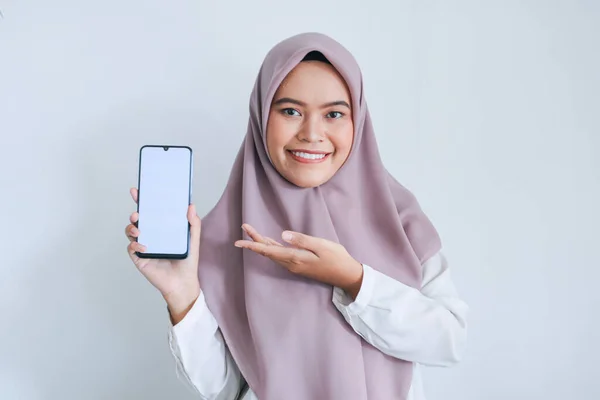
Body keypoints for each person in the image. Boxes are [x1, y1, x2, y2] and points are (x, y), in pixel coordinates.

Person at [125, 32, 468, 400]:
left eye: (334, 114)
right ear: (260, 116)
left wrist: (353, 280)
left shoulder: (397, 217)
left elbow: (447, 341)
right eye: (290, 111)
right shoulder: (224, 236)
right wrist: (182, 296)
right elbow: (226, 389)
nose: (311, 134)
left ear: (359, 121)